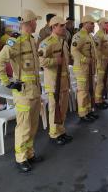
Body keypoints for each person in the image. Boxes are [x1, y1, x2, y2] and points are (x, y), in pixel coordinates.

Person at [0, 9, 43, 173]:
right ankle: (21, 158)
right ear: (29, 23)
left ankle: (29, 153)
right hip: (23, 93)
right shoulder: (14, 42)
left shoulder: (31, 40)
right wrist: (7, 83)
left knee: (33, 125)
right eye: (35, 21)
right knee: (24, 127)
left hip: (34, 91)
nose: (37, 24)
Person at [38, 16, 73, 145]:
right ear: (54, 27)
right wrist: (54, 61)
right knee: (54, 108)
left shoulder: (62, 41)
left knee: (63, 108)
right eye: (61, 26)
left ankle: (61, 131)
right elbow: (40, 61)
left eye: (64, 25)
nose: (64, 28)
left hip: (64, 81)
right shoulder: (47, 43)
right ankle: (54, 133)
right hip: (53, 83)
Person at [71, 15, 98, 122]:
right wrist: (86, 59)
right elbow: (74, 51)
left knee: (88, 90)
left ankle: (88, 111)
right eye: (91, 23)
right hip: (81, 68)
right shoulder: (79, 36)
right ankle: (83, 114)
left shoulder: (89, 35)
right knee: (82, 91)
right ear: (85, 23)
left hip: (89, 68)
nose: (93, 25)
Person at [93, 17, 108, 110]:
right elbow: (97, 51)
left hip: (106, 61)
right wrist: (105, 58)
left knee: (104, 81)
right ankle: (97, 101)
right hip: (101, 62)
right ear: (100, 24)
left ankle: (101, 99)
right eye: (105, 23)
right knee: (100, 82)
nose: (107, 24)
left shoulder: (104, 34)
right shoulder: (98, 35)